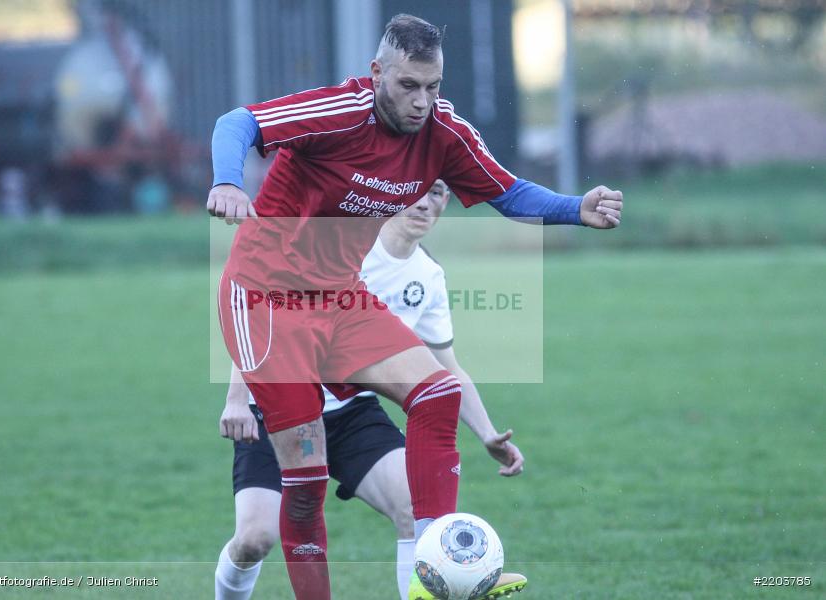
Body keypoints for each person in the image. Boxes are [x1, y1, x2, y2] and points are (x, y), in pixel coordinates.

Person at [208, 14, 622, 599]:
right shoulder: (340, 112)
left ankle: (435, 569)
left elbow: (508, 192)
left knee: (437, 394)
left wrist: (574, 207)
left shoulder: (444, 133)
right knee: (305, 484)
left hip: (338, 296)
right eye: (408, 85)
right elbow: (237, 122)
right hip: (264, 300)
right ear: (377, 72)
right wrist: (228, 181)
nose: (422, 101)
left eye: (433, 86)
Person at [214, 181, 526, 600]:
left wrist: (486, 433)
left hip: (352, 413)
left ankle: (427, 591)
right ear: (394, 194)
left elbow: (447, 367)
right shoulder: (342, 248)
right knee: (255, 539)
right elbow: (260, 312)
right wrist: (237, 399)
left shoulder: (428, 276)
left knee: (414, 507)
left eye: (437, 193)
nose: (425, 204)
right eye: (418, 191)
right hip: (276, 413)